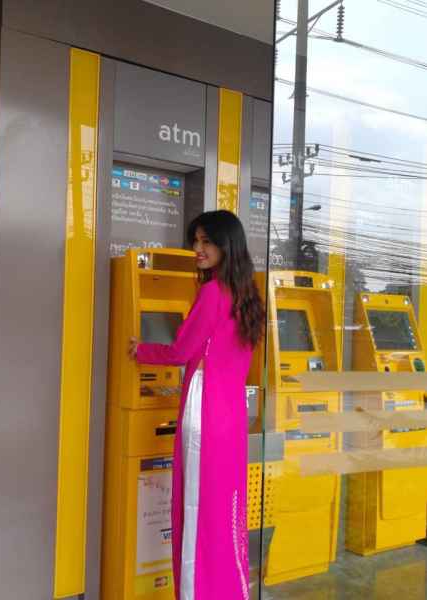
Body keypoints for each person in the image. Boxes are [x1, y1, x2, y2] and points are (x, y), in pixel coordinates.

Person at [129, 210, 265, 600]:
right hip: (231, 415)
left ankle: (196, 592)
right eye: (196, 241)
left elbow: (180, 351)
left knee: (196, 512)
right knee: (224, 512)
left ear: (226, 245)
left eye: (206, 241)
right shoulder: (247, 293)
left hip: (203, 413)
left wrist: (140, 350)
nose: (197, 249)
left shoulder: (212, 292)